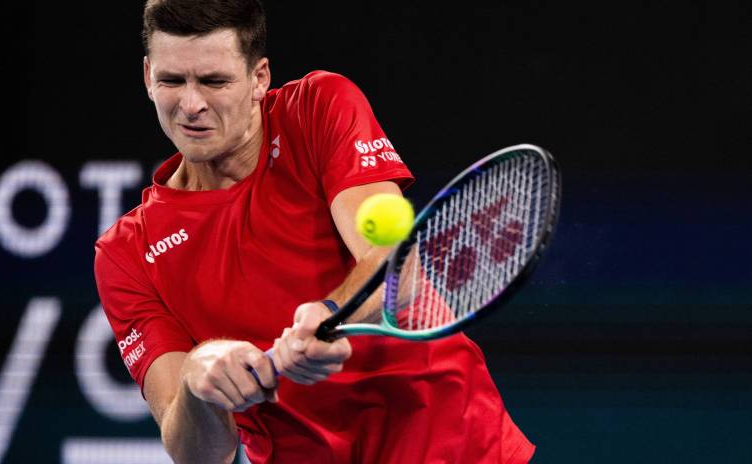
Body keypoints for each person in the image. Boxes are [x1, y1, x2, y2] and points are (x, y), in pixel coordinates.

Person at [94, 0, 536, 462]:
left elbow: (398, 265)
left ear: (259, 78)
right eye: (171, 81)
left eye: (214, 81)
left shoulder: (318, 108)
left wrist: (329, 314)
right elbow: (199, 455)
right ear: (148, 76)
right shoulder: (126, 253)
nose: (191, 105)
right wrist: (197, 381)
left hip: (449, 443)